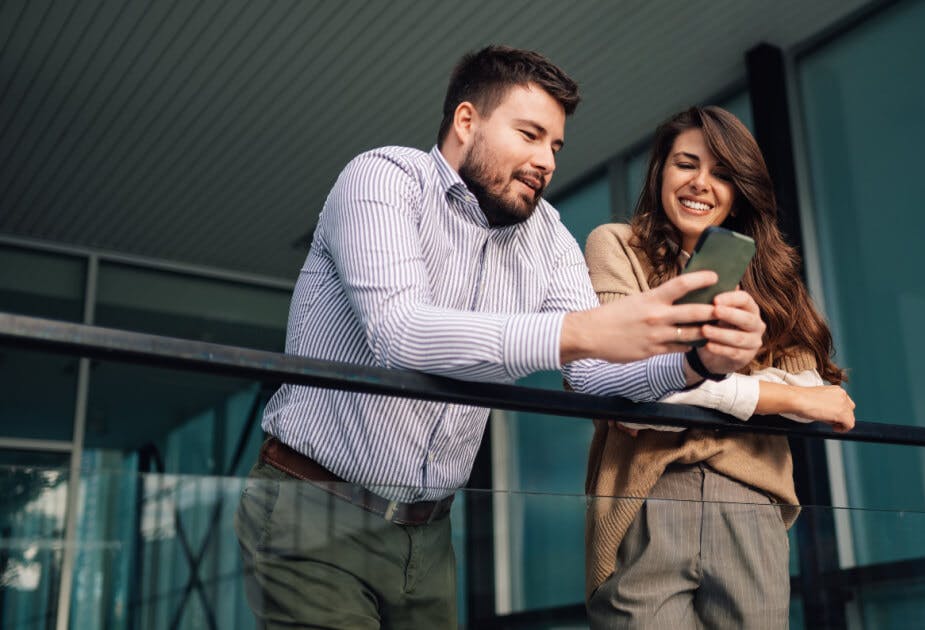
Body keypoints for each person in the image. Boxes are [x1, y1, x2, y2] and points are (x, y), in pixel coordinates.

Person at [233, 48, 766, 629]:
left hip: (429, 533)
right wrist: (580, 330)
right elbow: (400, 333)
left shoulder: (548, 236)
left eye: (555, 146)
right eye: (530, 134)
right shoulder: (382, 179)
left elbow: (591, 377)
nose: (546, 161)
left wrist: (696, 363)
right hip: (313, 508)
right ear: (467, 122)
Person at [583, 106, 856, 629]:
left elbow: (817, 389)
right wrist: (785, 397)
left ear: (740, 192)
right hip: (647, 494)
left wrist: (698, 381)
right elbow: (621, 390)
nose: (701, 184)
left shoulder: (770, 277)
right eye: (686, 164)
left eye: (723, 174)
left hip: (750, 499)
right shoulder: (616, 245)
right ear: (661, 168)